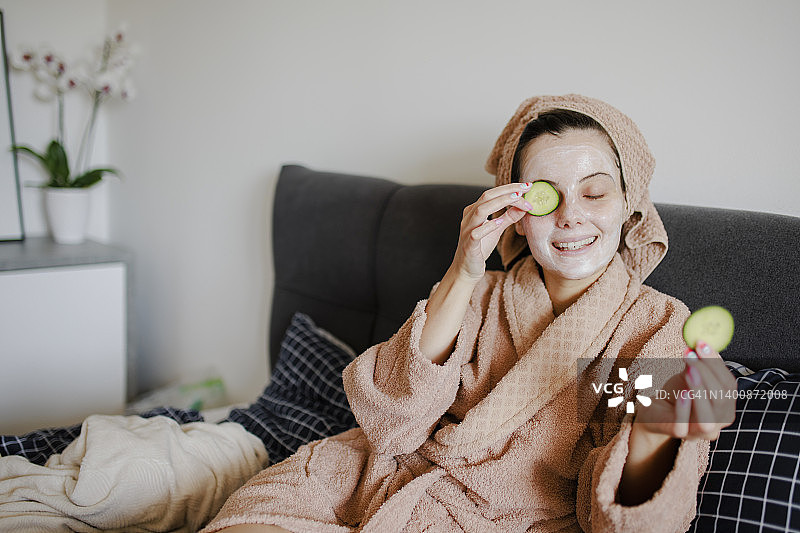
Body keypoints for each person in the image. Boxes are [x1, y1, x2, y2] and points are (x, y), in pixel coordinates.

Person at [202, 94, 737, 533]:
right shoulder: (483, 293)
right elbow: (391, 423)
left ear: (629, 206)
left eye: (595, 193)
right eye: (548, 198)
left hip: (500, 516)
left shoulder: (660, 326)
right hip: (374, 472)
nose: (572, 217)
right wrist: (463, 269)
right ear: (520, 217)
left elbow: (632, 520)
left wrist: (653, 435)